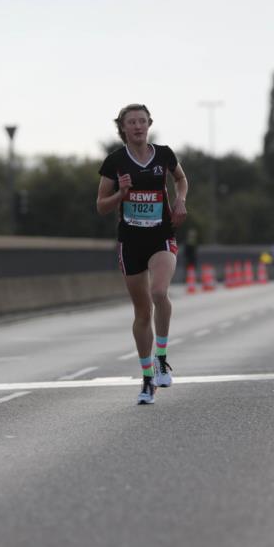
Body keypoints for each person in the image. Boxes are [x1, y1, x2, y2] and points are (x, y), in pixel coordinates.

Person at [97, 104, 188, 405]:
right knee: (141, 313)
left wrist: (180, 201)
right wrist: (120, 195)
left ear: (149, 124)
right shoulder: (115, 162)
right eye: (131, 122)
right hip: (131, 242)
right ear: (122, 128)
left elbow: (181, 179)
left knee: (159, 292)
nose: (137, 126)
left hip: (161, 236)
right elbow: (101, 205)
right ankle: (147, 378)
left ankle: (162, 358)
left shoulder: (163, 154)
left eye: (142, 121)